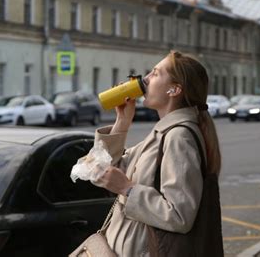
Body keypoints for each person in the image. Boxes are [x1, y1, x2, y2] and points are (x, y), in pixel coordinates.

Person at [94, 51, 222, 256]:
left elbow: (180, 215)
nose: (145, 79)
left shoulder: (179, 137)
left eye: (155, 73)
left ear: (174, 89)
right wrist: (122, 122)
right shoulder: (162, 134)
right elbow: (101, 171)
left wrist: (128, 190)